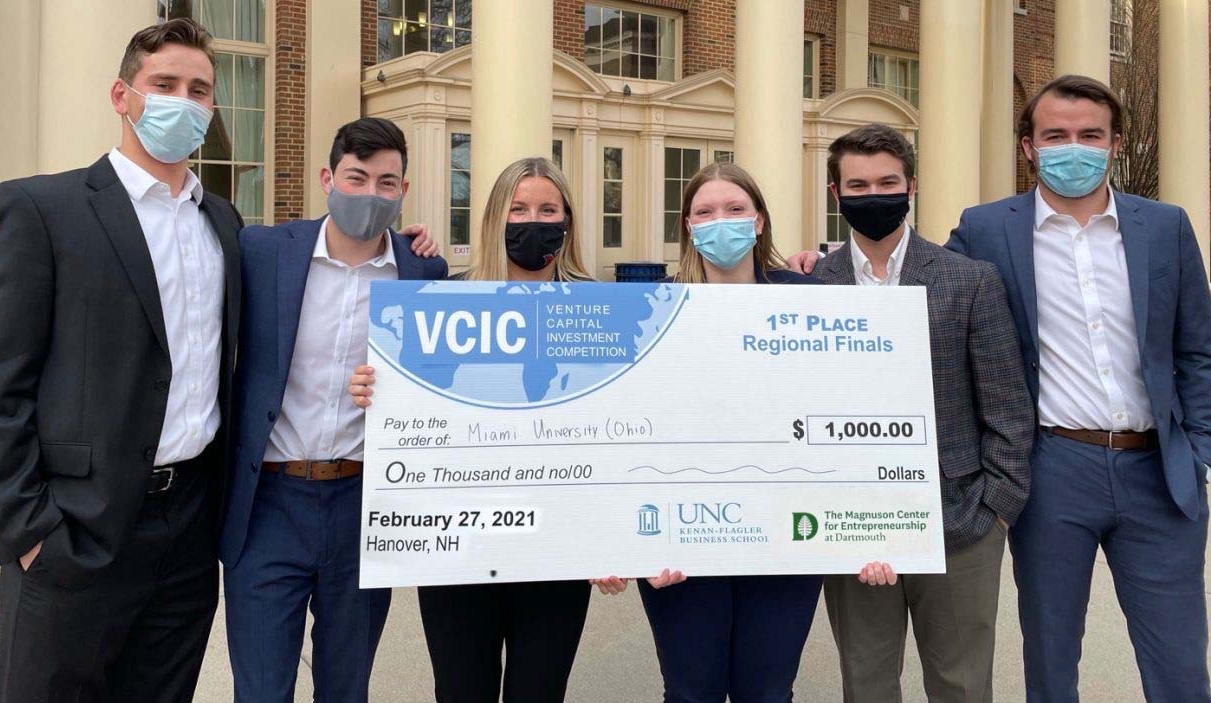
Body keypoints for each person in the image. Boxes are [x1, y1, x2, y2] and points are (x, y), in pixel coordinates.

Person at [789, 75, 1211, 702]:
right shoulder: (988, 231)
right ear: (1029, 146)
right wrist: (807, 269)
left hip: (1158, 469)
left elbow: (1196, 349)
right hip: (1054, 466)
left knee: (1179, 661)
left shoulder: (1165, 227)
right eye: (1056, 135)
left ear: (1115, 144)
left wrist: (1199, 447)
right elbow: (913, 283)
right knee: (1049, 654)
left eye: (1090, 135)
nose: (1074, 148)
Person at [0, 19, 236, 702]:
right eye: (163, 84)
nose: (183, 101)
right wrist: (27, 532)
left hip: (189, 533)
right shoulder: (40, 210)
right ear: (122, 95)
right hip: (73, 531)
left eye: (199, 90)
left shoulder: (221, 224)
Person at [349, 156, 594, 702]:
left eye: (548, 209)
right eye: (519, 209)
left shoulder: (600, 310)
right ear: (492, 220)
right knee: (461, 692)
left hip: (556, 553)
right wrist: (376, 389)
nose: (535, 221)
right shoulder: (444, 303)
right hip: (457, 551)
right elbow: (411, 408)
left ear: (569, 220)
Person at [220, 117, 446, 703]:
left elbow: (442, 386)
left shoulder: (424, 272)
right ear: (328, 177)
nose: (371, 194)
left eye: (388, 183)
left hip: (363, 506)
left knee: (346, 688)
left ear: (403, 192)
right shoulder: (262, 251)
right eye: (357, 177)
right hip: (270, 503)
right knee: (262, 689)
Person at [812, 123, 1033, 702]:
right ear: (835, 195)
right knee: (867, 685)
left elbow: (1007, 406)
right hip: (849, 527)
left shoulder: (969, 280)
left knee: (961, 686)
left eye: (888, 181)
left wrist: (997, 510)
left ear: (911, 186)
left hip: (958, 523)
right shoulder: (810, 285)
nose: (873, 194)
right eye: (857, 185)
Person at [592, 162, 823, 703]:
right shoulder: (647, 313)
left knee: (768, 691)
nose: (722, 221)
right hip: (680, 541)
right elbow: (614, 429)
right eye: (706, 212)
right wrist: (615, 539)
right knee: (691, 690)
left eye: (736, 209)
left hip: (784, 536)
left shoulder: (808, 297)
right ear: (689, 227)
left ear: (760, 220)